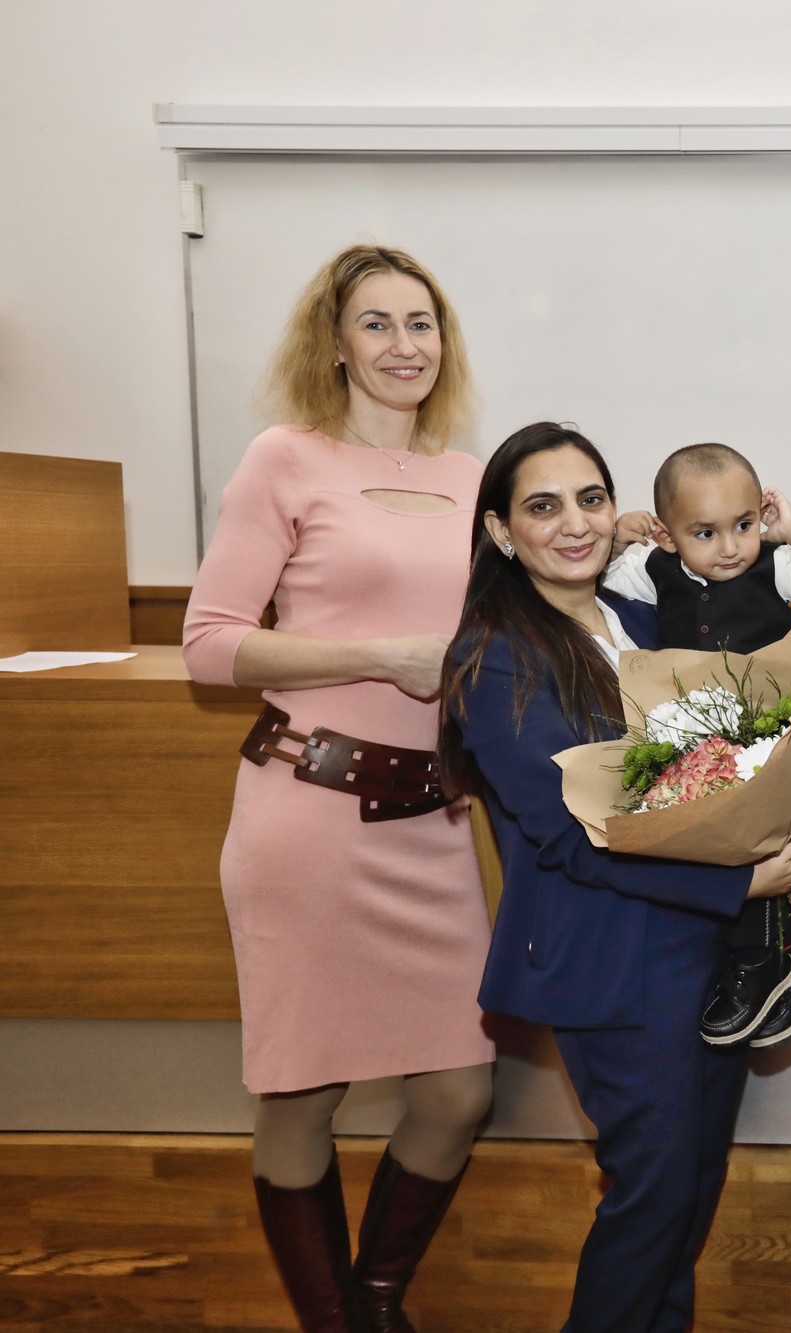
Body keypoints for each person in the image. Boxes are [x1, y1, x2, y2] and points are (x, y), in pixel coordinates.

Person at [438, 422, 791, 1332]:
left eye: (592, 499)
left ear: (622, 513)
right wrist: (741, 884)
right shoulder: (494, 655)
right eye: (543, 505)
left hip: (703, 954)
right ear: (499, 531)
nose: (574, 523)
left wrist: (766, 807)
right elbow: (574, 835)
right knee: (650, 1201)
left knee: (686, 1196)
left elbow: (718, 765)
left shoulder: (648, 621)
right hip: (612, 964)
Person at [182, 244, 494, 1333]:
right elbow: (210, 646)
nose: (404, 345)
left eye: (422, 323)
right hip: (306, 815)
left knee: (459, 1089)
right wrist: (379, 655)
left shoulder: (469, 478)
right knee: (300, 1092)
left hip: (430, 823)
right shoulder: (286, 458)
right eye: (378, 323)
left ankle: (371, 1300)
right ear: (335, 342)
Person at [601, 441, 791, 1048]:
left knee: (753, 846)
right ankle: (786, 960)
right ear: (667, 534)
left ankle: (759, 962)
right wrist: (618, 535)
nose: (730, 547)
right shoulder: (653, 568)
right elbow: (600, 576)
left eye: (744, 525)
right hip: (692, 736)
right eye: (705, 533)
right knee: (709, 850)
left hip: (768, 734)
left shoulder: (774, 562)